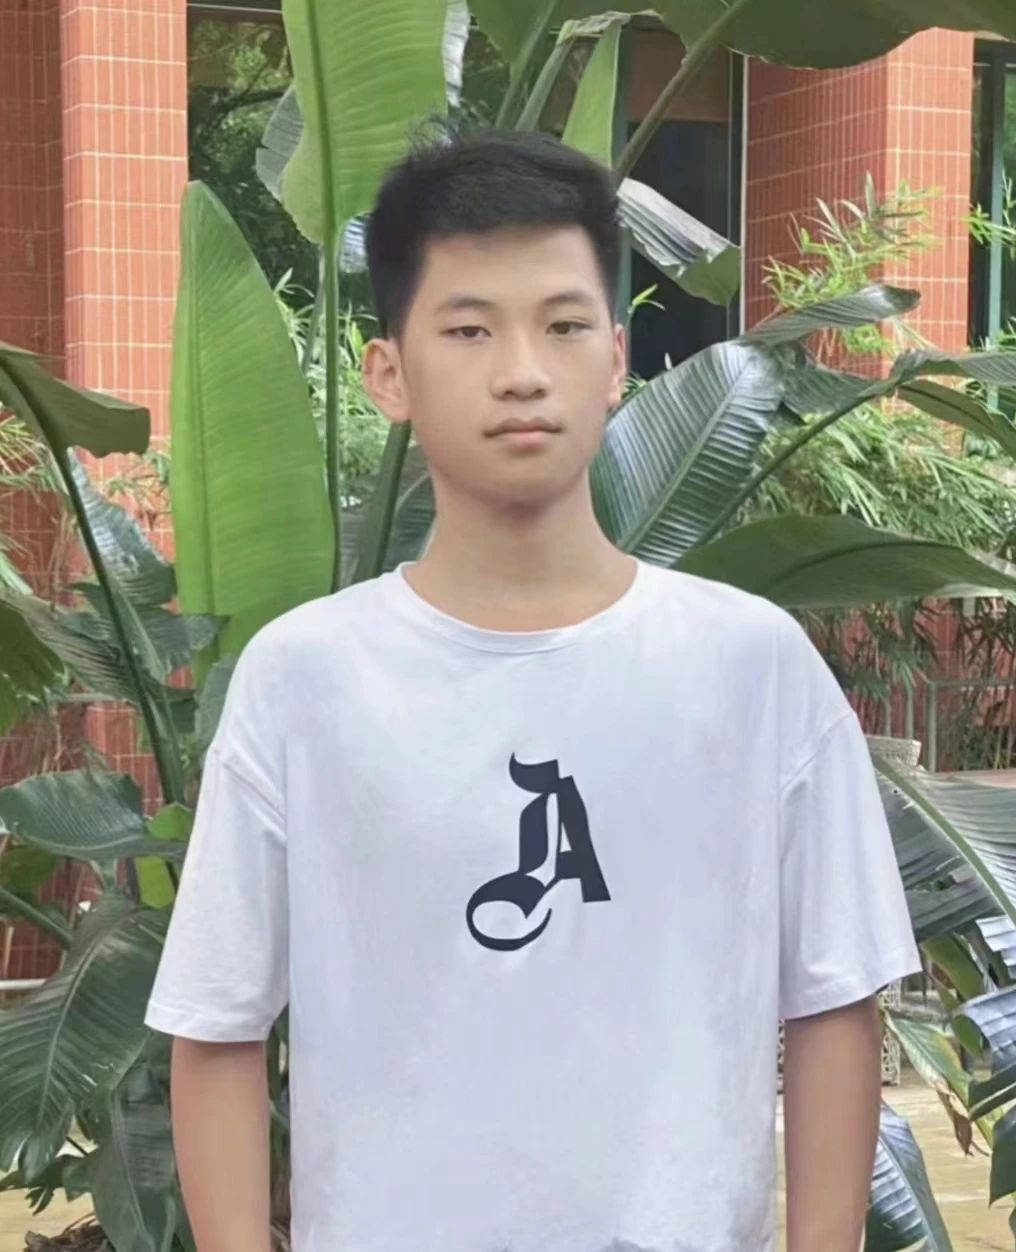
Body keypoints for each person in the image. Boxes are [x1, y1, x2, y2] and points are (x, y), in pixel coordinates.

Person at [144, 128, 922, 1252]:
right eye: (469, 329)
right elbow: (217, 1025)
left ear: (615, 361)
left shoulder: (752, 666)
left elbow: (833, 1000)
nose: (521, 370)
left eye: (562, 325)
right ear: (388, 373)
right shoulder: (304, 679)